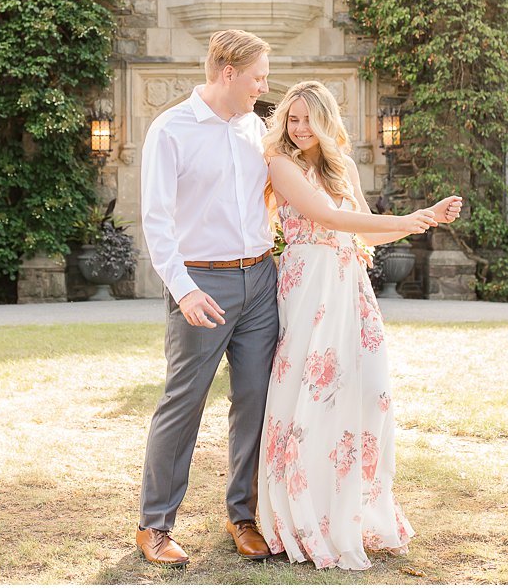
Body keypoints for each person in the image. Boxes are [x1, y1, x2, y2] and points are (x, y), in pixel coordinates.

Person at [135, 32, 441, 569]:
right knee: (183, 403)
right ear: (227, 72)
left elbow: (306, 195)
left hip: (262, 281)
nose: (264, 86)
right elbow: (157, 222)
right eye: (258, 76)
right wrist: (183, 290)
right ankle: (155, 526)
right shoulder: (171, 131)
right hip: (204, 283)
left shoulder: (257, 133)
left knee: (257, 403)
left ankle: (243, 516)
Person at [257, 80, 462, 571]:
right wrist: (412, 219)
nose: (299, 127)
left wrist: (421, 219)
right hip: (309, 286)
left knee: (367, 393)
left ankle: (351, 511)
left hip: (350, 285)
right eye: (293, 118)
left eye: (308, 119)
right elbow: (325, 216)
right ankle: (305, 515)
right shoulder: (281, 164)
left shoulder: (344, 166)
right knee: (311, 393)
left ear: (327, 121)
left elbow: (364, 227)